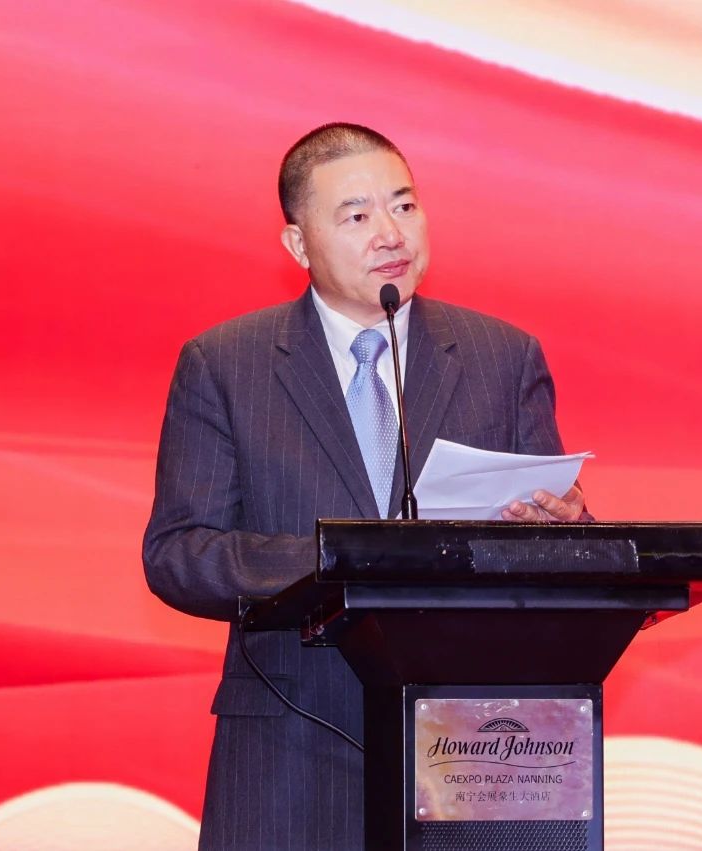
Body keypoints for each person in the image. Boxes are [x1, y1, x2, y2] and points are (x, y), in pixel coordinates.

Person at [142, 122, 586, 851]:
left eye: (404, 206)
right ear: (298, 244)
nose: (390, 233)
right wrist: (341, 560)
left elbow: (553, 531)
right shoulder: (226, 365)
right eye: (356, 216)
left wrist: (566, 531)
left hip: (473, 750)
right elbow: (179, 553)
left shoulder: (502, 357)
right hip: (291, 743)